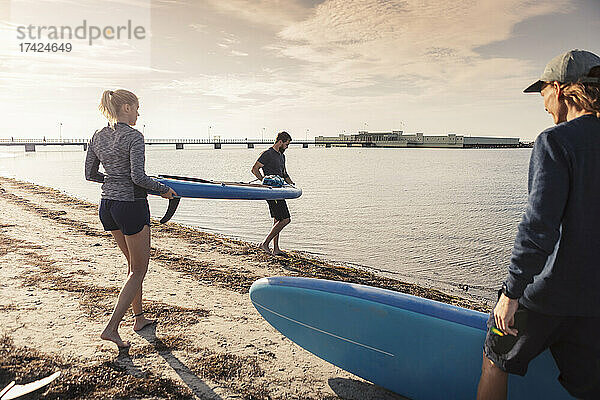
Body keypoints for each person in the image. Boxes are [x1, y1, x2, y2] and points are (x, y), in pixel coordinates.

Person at [476, 49, 600, 399]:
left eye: (543, 91)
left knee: (495, 357)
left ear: (560, 89)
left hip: (545, 298)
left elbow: (538, 227)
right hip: (595, 304)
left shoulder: (555, 141)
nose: (542, 102)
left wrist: (511, 294)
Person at [85, 89, 176, 349]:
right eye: (136, 108)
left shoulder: (97, 136)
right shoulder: (134, 137)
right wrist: (162, 189)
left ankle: (138, 318)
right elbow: (138, 178)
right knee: (138, 270)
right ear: (125, 107)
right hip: (131, 206)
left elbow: (90, 174)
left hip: (108, 206)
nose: (138, 113)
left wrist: (113, 180)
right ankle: (112, 328)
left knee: (132, 267)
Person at [251, 131, 295, 255]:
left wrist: (292, 185)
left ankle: (276, 248)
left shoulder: (282, 156)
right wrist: (264, 182)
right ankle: (265, 244)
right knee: (285, 219)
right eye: (286, 144)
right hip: (271, 192)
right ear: (280, 142)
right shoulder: (267, 154)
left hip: (280, 191)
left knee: (277, 220)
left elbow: (284, 174)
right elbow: (254, 169)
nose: (287, 147)